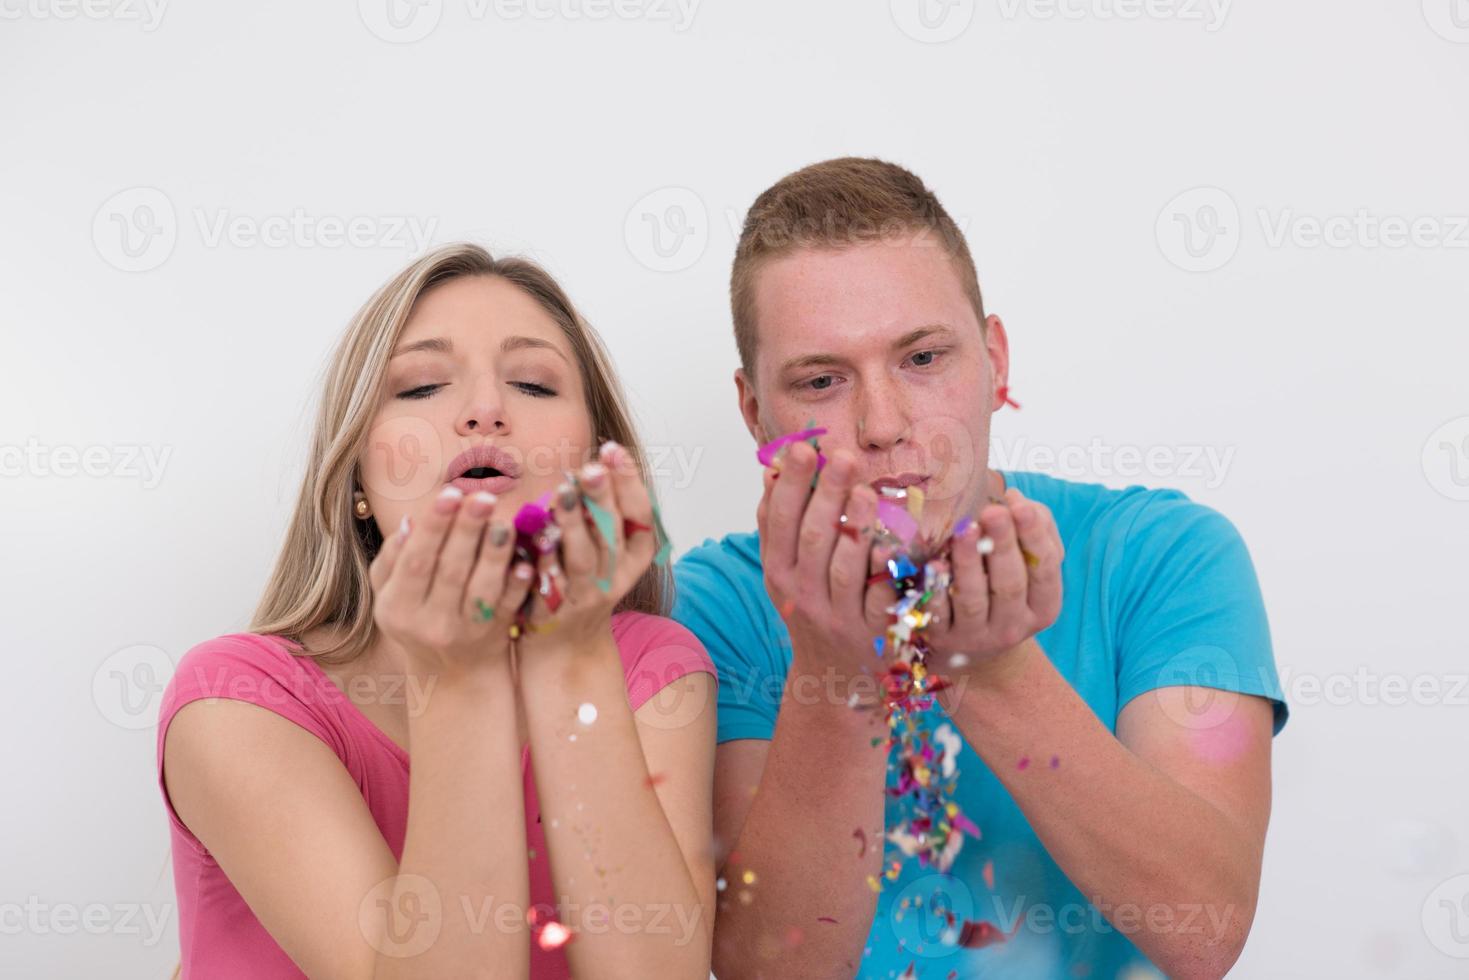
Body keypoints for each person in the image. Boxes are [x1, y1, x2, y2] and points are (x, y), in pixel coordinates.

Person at [672, 158, 1288, 978]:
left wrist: (988, 671)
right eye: (820, 381)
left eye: (922, 359)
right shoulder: (715, 606)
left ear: (995, 362)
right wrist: (839, 672)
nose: (882, 424)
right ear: (757, 414)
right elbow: (764, 969)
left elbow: (1202, 933)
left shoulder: (1162, 554)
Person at [156, 243, 717, 978]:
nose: (485, 412)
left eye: (533, 385)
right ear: (354, 478)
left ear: (595, 462)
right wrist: (460, 676)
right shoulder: (236, 700)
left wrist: (568, 653)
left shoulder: (655, 670)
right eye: (421, 388)